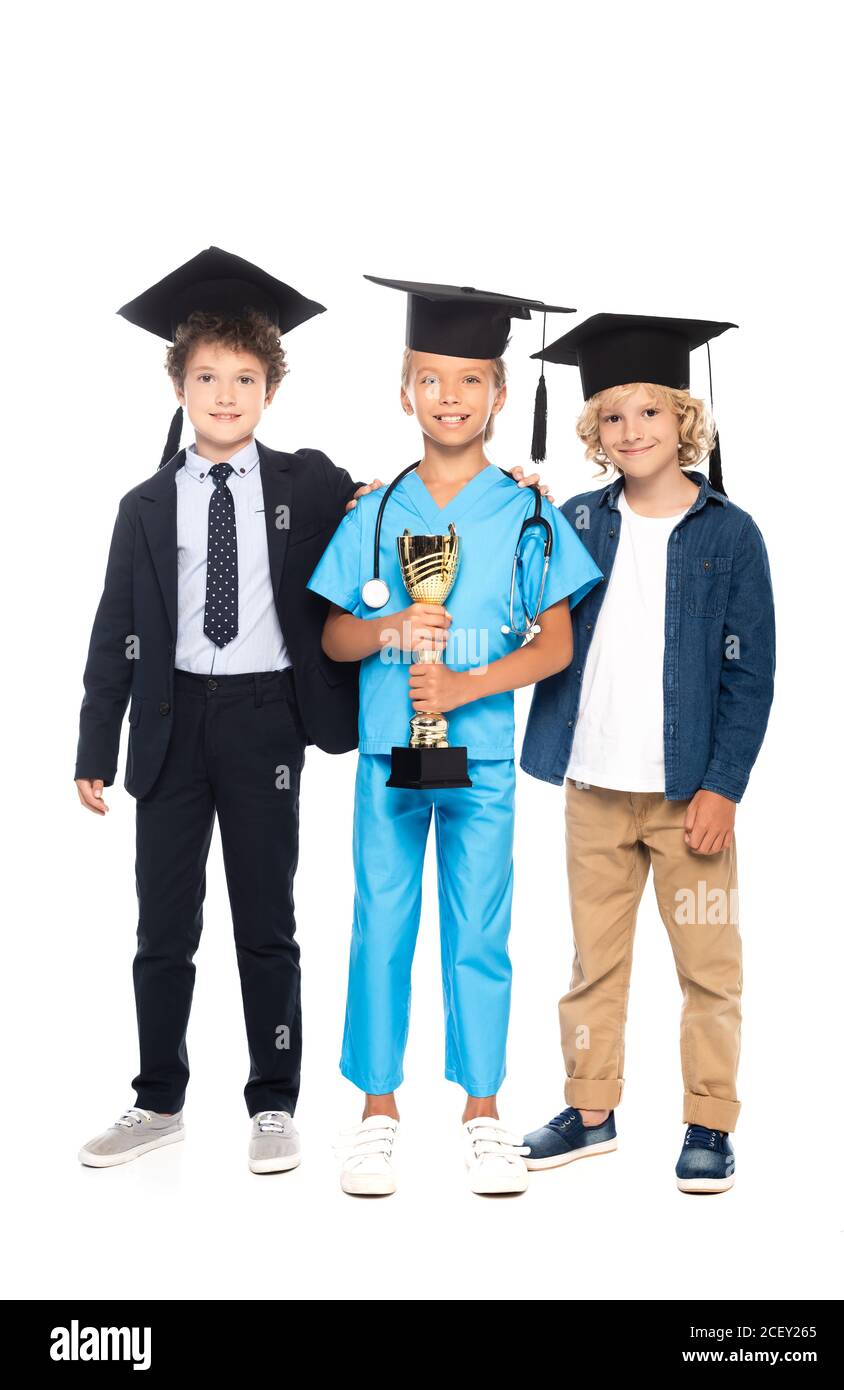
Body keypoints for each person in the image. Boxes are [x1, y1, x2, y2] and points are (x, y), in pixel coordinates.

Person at [74, 249, 550, 1175]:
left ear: (271, 389)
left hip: (265, 723)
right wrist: (98, 743)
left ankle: (274, 1101)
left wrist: (515, 487)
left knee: (267, 918)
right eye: (206, 377)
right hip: (170, 723)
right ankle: (156, 1097)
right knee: (162, 925)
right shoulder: (143, 505)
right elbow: (111, 630)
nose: (224, 395)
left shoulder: (311, 483)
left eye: (244, 379)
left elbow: (401, 502)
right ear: (177, 384)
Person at [307, 278, 602, 1196]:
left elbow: (553, 646)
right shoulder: (375, 509)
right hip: (391, 748)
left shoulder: (523, 514)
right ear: (405, 390)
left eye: (470, 381)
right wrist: (392, 630)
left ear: (500, 395)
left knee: (481, 928)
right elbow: (333, 635)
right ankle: (377, 1111)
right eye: (431, 380)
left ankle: (482, 1110)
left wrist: (470, 679)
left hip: (474, 758)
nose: (449, 397)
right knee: (380, 921)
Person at [519, 313, 775, 1193]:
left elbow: (751, 675)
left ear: (683, 422)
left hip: (686, 797)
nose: (632, 432)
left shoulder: (728, 534)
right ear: (594, 431)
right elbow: (521, 598)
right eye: (613, 418)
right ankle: (590, 1110)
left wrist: (724, 788)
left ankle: (709, 1121)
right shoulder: (573, 521)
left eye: (650, 414)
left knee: (709, 966)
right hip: (591, 787)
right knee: (593, 963)